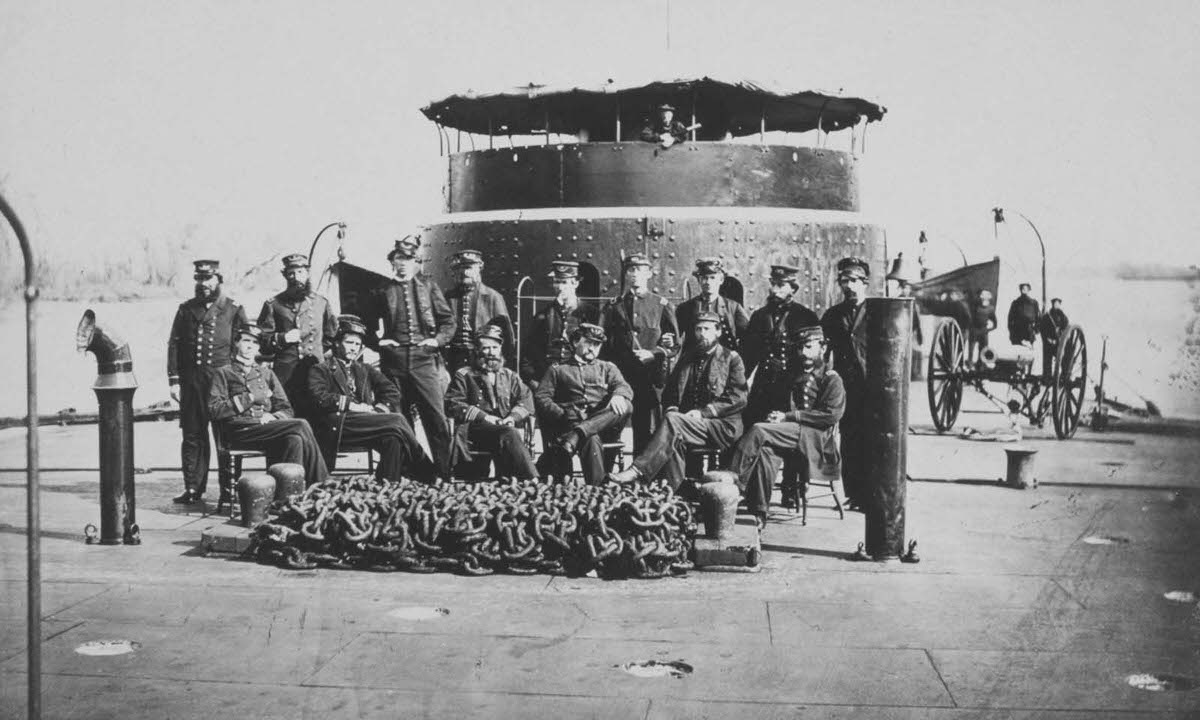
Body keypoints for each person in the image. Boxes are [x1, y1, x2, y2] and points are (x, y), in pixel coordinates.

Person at [606, 311, 747, 490]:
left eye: (707, 329)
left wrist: (703, 412)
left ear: (718, 332)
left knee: (673, 423)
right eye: (698, 329)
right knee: (672, 430)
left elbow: (738, 397)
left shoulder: (731, 359)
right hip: (691, 425)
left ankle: (637, 471)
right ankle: (678, 491)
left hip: (723, 426)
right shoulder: (688, 357)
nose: (702, 333)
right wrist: (672, 408)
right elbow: (671, 392)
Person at [726, 325, 845, 530]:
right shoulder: (793, 374)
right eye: (800, 348)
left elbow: (831, 415)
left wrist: (788, 416)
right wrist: (776, 416)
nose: (804, 353)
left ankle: (732, 482)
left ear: (822, 348)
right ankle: (759, 512)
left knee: (759, 430)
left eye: (809, 347)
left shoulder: (831, 378)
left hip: (815, 438)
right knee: (765, 452)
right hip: (791, 434)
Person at [367, 234, 456, 478]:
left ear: (415, 261)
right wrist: (380, 343)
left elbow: (448, 321)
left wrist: (435, 341)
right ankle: (414, 472)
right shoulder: (382, 290)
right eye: (399, 258)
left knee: (436, 418)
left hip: (424, 360)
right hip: (393, 363)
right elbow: (366, 324)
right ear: (392, 261)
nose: (404, 262)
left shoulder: (428, 286)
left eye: (408, 258)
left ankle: (444, 474)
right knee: (400, 420)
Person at [307, 314, 436, 483]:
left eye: (357, 344)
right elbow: (318, 397)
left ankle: (388, 485)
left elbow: (392, 392)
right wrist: (353, 406)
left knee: (394, 438)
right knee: (396, 420)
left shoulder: (364, 369)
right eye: (349, 343)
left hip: (366, 424)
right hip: (339, 426)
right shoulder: (320, 369)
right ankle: (426, 470)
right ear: (337, 344)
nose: (354, 348)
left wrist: (378, 410)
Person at [207, 322, 329, 487]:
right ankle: (322, 483)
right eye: (246, 341)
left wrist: (273, 416)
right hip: (240, 431)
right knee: (301, 424)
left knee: (294, 439)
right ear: (236, 343)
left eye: (255, 343)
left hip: (266, 429)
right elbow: (215, 410)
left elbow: (285, 407)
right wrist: (249, 397)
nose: (250, 346)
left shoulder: (266, 373)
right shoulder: (224, 372)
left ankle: (288, 496)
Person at [167, 259, 247, 505]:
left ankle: (229, 489)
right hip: (191, 383)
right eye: (200, 279)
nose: (203, 284)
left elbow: (242, 347)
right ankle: (192, 488)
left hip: (221, 384)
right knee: (192, 437)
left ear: (218, 280)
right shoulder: (186, 309)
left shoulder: (233, 309)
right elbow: (175, 345)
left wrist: (236, 383)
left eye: (208, 279)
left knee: (225, 438)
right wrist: (174, 381)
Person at [534, 323, 633, 485]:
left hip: (601, 427)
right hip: (569, 425)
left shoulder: (607, 368)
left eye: (597, 344)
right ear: (575, 342)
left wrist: (618, 395)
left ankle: (579, 433)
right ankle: (598, 490)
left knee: (626, 404)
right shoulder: (558, 370)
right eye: (588, 343)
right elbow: (542, 398)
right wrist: (562, 414)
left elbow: (624, 386)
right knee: (590, 437)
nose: (592, 348)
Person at [601, 252, 679, 454]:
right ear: (626, 274)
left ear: (649, 274)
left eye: (640, 270)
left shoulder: (661, 305)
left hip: (649, 379)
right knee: (612, 426)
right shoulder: (613, 306)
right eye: (631, 270)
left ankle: (641, 479)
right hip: (620, 378)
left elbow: (674, 346)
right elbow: (604, 345)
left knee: (646, 430)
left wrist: (654, 353)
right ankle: (607, 477)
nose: (635, 274)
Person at [445, 323, 538, 481]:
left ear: (500, 349)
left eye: (495, 348)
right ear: (477, 350)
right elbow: (453, 403)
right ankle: (531, 479)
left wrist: (512, 418)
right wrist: (484, 417)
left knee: (508, 432)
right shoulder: (464, 375)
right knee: (509, 433)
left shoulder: (510, 376)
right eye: (486, 348)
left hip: (503, 428)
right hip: (475, 430)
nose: (491, 353)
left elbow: (526, 399)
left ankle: (516, 479)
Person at [257, 253, 337, 417]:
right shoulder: (273, 304)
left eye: (300, 272)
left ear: (307, 273)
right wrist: (283, 338)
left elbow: (330, 337)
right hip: (286, 373)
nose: (296, 277)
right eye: (291, 273)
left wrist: (317, 351)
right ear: (285, 275)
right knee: (288, 414)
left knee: (319, 413)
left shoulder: (321, 303)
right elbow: (263, 341)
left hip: (315, 370)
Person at [820, 257, 871, 510]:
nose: (848, 286)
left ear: (865, 283)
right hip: (846, 387)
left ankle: (873, 494)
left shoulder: (877, 312)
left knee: (873, 439)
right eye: (844, 281)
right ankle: (854, 494)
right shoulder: (833, 315)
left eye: (853, 281)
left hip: (873, 388)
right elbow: (823, 352)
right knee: (849, 439)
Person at [741, 264, 820, 425]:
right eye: (773, 284)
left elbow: (816, 355)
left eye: (781, 285)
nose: (775, 290)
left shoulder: (805, 316)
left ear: (793, 289)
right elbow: (747, 355)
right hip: (763, 385)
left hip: (792, 384)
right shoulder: (759, 316)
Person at [520, 260, 601, 388]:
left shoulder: (591, 314)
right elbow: (528, 352)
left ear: (575, 283)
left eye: (564, 282)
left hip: (579, 380)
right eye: (556, 282)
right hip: (547, 380)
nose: (560, 287)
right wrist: (532, 380)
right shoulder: (543, 316)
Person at [443, 249, 513, 373]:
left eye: (469, 268)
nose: (465, 272)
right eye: (461, 268)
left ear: (479, 268)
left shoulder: (492, 297)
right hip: (453, 359)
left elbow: (507, 336)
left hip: (482, 360)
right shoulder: (448, 297)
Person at [675, 257, 750, 354]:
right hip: (694, 360)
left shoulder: (733, 307)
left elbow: (748, 337)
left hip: (723, 361)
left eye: (713, 278)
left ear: (721, 280)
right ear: (699, 280)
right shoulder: (686, 308)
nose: (708, 282)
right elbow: (675, 336)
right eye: (704, 278)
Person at [1039, 297, 1071, 377]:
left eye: (1057, 304)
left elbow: (1067, 329)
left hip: (1060, 343)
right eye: (1054, 303)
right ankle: (1047, 376)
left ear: (1060, 305)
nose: (1056, 305)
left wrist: (1061, 335)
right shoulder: (1047, 316)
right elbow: (1043, 329)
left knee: (1066, 357)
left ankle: (1065, 375)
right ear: (1052, 304)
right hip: (1049, 342)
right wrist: (1048, 339)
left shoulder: (1063, 317)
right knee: (1047, 359)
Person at [969, 289, 998, 363]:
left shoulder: (991, 308)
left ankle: (980, 367)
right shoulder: (975, 307)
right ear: (980, 296)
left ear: (990, 297)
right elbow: (970, 318)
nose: (983, 296)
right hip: (974, 330)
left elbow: (995, 323)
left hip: (984, 331)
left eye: (986, 294)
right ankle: (969, 365)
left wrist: (988, 330)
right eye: (982, 294)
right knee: (971, 350)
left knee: (983, 351)